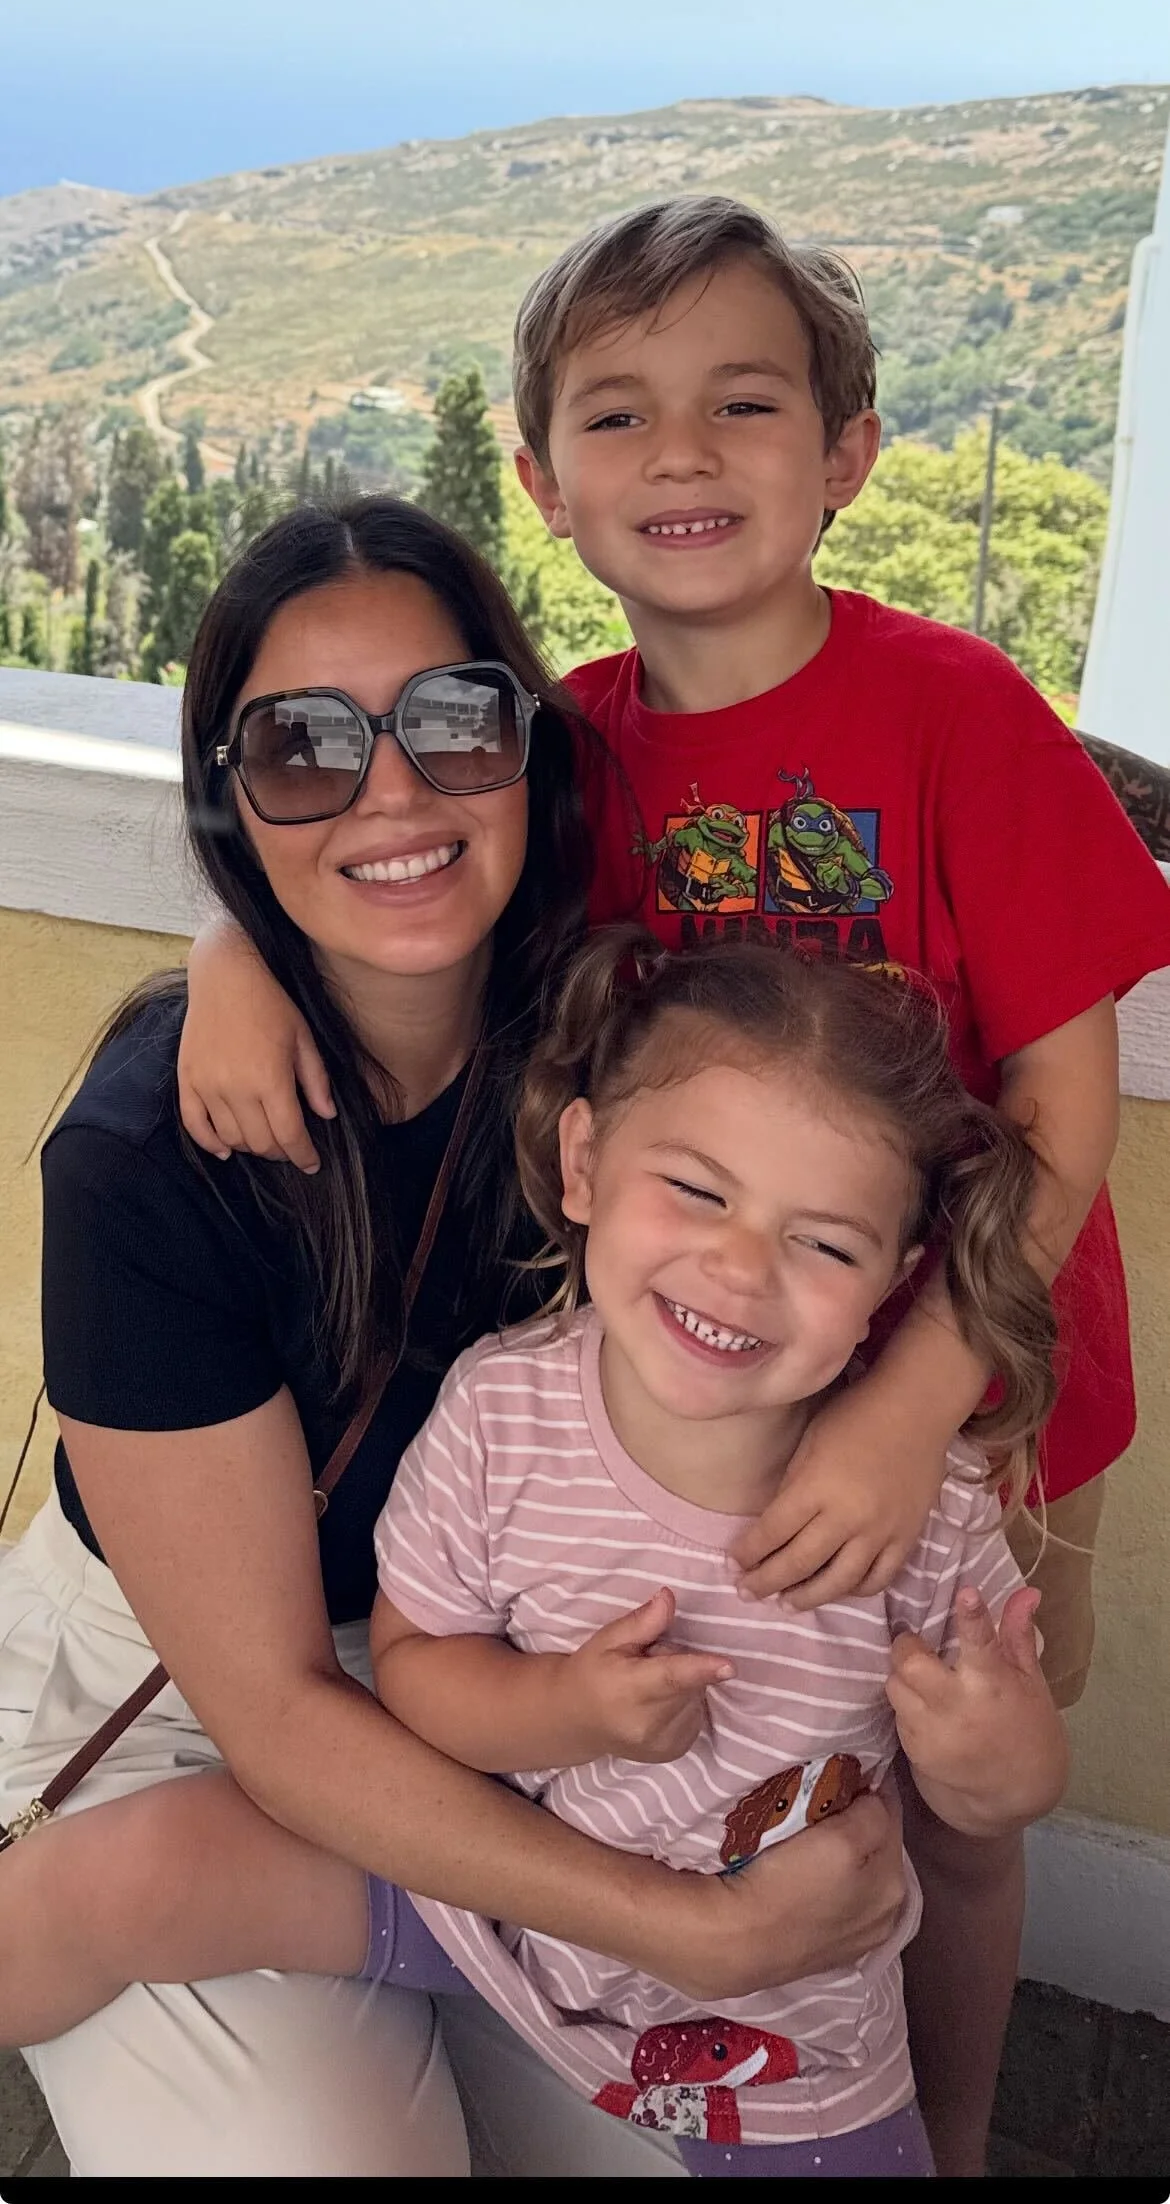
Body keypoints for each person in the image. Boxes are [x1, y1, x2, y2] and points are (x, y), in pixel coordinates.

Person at [172, 197, 1170, 2172]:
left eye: (742, 403)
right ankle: (714, 2033)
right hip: (697, 1407)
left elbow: (1069, 1099)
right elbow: (389, 876)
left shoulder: (963, 713)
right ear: (541, 483)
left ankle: (948, 2129)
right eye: (618, 418)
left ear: (849, 450)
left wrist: (907, 1408)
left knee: (962, 1797)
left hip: (982, 1392)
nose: (686, 455)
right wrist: (226, 955)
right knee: (739, 1744)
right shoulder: (571, 757)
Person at [0, 500, 909, 2180]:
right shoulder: (147, 1160)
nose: (392, 791)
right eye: (303, 751)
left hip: (511, 1680)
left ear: (525, 748)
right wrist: (669, 1923)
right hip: (194, 1697)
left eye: (449, 720)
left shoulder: (610, 1041)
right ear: (230, 794)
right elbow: (274, 1708)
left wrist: (906, 1419)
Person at [0, 935, 1069, 2177]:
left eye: (823, 1244)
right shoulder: (507, 1411)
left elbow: (991, 1815)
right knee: (145, 1866)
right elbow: (417, 1667)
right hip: (494, 1912)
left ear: (896, 1275)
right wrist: (563, 1708)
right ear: (582, 1162)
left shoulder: (916, 1498)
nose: (738, 1266)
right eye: (700, 1193)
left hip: (780, 2045)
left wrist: (1004, 1766)